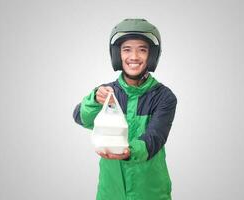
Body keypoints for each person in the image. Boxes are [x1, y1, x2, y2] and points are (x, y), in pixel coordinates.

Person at [73, 18, 177, 200]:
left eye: (142, 50)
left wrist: (128, 152)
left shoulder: (164, 97)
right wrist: (95, 99)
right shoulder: (107, 92)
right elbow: (81, 118)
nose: (134, 57)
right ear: (117, 54)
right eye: (126, 49)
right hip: (110, 192)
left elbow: (155, 138)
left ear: (152, 55)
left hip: (150, 192)